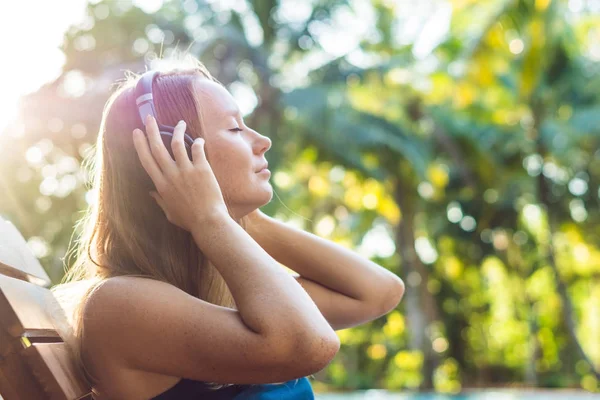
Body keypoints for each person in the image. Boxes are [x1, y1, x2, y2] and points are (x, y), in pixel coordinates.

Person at [51, 57, 405, 399]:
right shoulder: (120, 303)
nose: (261, 140)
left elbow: (378, 291)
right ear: (173, 155)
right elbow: (310, 346)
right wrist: (211, 219)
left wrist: (244, 220)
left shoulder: (218, 291)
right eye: (235, 127)